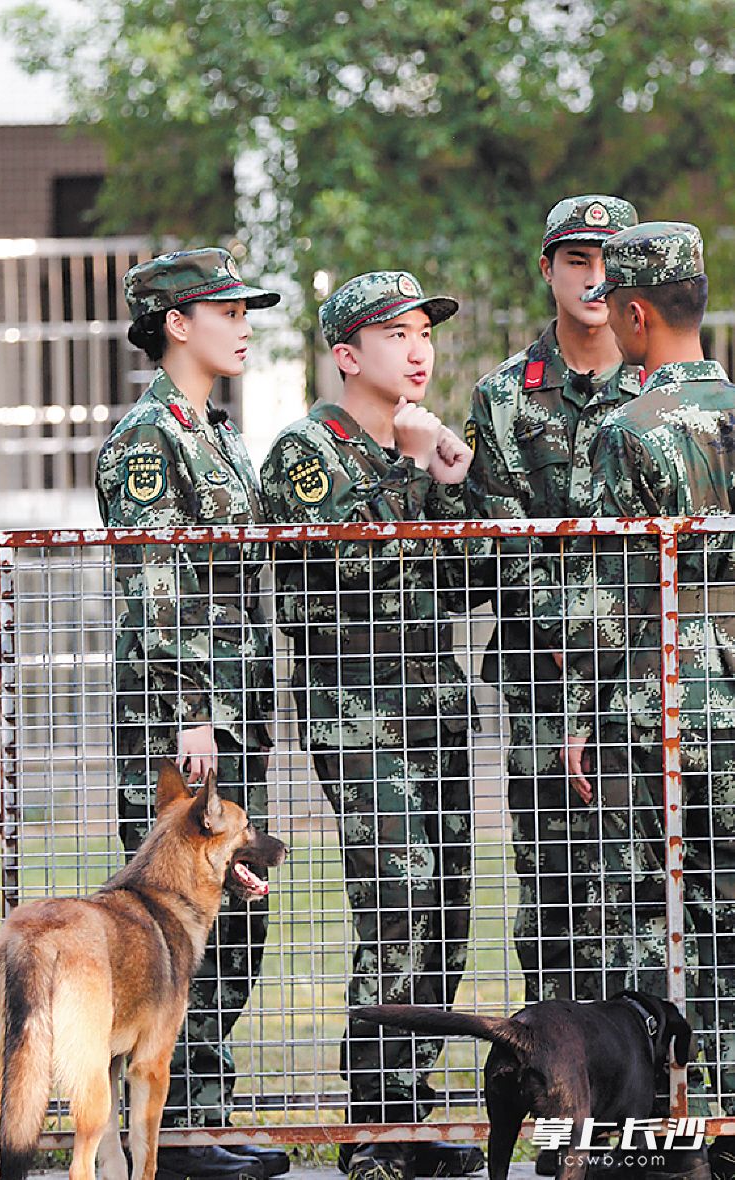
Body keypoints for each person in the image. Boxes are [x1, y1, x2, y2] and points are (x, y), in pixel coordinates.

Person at [260, 272, 485, 1180]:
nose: (419, 348)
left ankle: (413, 1109)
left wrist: (451, 478)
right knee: (397, 910)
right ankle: (375, 1133)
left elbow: (471, 582)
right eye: (396, 334)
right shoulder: (309, 449)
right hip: (361, 719)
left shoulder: (424, 444)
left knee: (451, 916)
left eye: (425, 330)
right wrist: (411, 466)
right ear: (348, 354)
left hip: (437, 708)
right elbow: (344, 575)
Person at [96, 247, 289, 1180]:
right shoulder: (149, 439)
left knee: (229, 915)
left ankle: (197, 1111)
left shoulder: (217, 434)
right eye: (228, 309)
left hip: (234, 713)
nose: (245, 323)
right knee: (166, 921)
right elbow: (156, 590)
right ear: (177, 322)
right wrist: (191, 713)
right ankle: (161, 1135)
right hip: (186, 725)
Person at [563, 222, 735, 1180]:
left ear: (635, 312)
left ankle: (666, 1136)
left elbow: (604, 589)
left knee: (645, 917)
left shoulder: (625, 432)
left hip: (654, 703)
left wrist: (583, 713)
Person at [464, 193, 642, 1009]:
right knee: (553, 892)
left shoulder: (660, 391)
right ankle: (567, 1093)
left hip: (648, 669)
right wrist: (576, 638)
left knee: (648, 878)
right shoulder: (503, 398)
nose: (593, 277)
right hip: (541, 678)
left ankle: (650, 1087)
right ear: (548, 269)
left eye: (607, 260)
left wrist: (609, 640)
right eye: (576, 259)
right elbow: (508, 542)